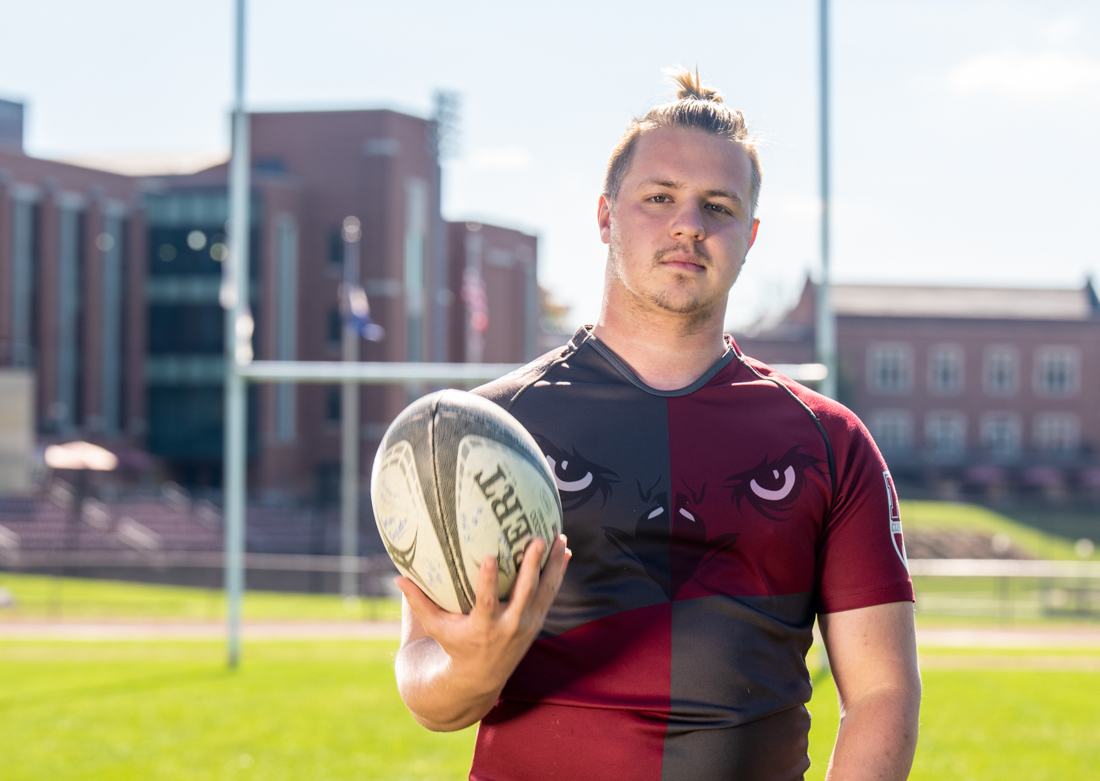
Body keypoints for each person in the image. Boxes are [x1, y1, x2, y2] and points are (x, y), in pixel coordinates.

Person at [394, 69, 921, 780]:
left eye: (718, 206)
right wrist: (473, 666)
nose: (688, 224)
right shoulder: (486, 432)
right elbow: (428, 690)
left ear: (751, 235)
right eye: (660, 197)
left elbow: (883, 692)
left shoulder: (830, 442)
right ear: (606, 215)